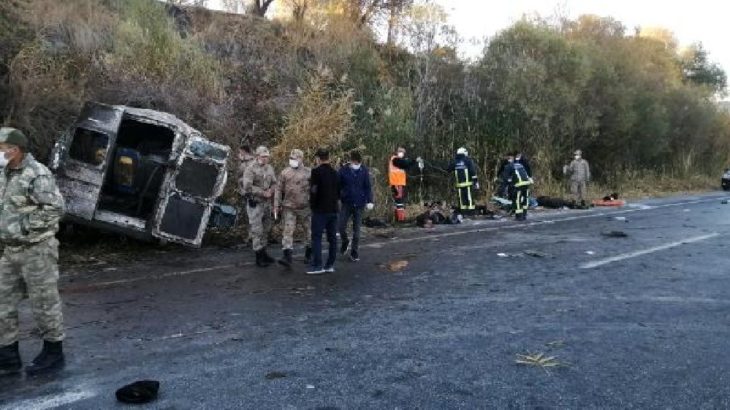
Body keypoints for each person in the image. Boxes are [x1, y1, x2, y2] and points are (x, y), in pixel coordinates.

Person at [0, 127, 66, 376]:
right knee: (2, 302)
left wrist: (22, 227)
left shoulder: (37, 174)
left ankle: (53, 351)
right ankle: (7, 354)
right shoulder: (4, 173)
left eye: (0, 148)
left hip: (37, 249)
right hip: (10, 251)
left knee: (43, 302)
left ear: (13, 150)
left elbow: (55, 208)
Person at [274, 149, 311, 269]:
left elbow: (315, 189)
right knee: (288, 231)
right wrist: (276, 205)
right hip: (289, 207)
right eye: (291, 158)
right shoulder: (285, 173)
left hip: (305, 207)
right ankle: (287, 256)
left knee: (309, 231)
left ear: (301, 159)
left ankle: (309, 254)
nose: (292, 160)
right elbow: (278, 189)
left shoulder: (308, 173)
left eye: (295, 158)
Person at [241, 146, 277, 267]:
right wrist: (262, 192)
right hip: (255, 203)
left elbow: (274, 182)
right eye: (263, 156)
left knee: (266, 229)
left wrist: (272, 191)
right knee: (257, 230)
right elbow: (247, 186)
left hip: (266, 204)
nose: (266, 159)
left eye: (267, 156)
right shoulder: (250, 169)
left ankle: (264, 253)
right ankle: (258, 256)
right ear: (257, 156)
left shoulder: (269, 168)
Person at [338, 151, 373, 262]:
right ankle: (345, 241)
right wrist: (340, 195)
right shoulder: (343, 170)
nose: (356, 164)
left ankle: (354, 251)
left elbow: (367, 187)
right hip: (347, 203)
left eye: (358, 162)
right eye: (354, 162)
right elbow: (337, 185)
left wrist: (369, 200)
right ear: (351, 161)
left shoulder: (364, 171)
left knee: (356, 230)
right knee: (341, 226)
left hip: (359, 203)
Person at [308, 149, 339, 275]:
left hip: (320, 210)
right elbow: (338, 191)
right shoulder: (335, 173)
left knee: (316, 237)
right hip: (333, 209)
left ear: (318, 159)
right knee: (332, 238)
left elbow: (314, 190)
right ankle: (330, 264)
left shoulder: (316, 172)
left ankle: (317, 265)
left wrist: (312, 205)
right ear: (328, 158)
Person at [388, 147, 422, 222]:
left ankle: (400, 218)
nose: (402, 153)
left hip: (399, 183)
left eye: (403, 152)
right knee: (399, 201)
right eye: (400, 152)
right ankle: (400, 219)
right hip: (396, 183)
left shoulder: (399, 160)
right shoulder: (395, 159)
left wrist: (413, 161)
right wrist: (414, 160)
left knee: (399, 201)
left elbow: (406, 165)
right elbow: (404, 164)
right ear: (397, 152)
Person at [448, 147, 479, 214]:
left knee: (462, 199)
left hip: (459, 185)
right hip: (468, 184)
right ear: (464, 153)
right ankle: (471, 212)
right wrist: (476, 181)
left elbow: (448, 169)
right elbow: (472, 171)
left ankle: (463, 212)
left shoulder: (455, 161)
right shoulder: (468, 161)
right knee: (469, 198)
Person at [503, 151, 533, 220]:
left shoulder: (508, 166)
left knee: (517, 200)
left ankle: (519, 216)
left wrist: (504, 187)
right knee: (525, 198)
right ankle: (524, 214)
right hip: (526, 183)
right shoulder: (519, 164)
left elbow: (505, 178)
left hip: (519, 184)